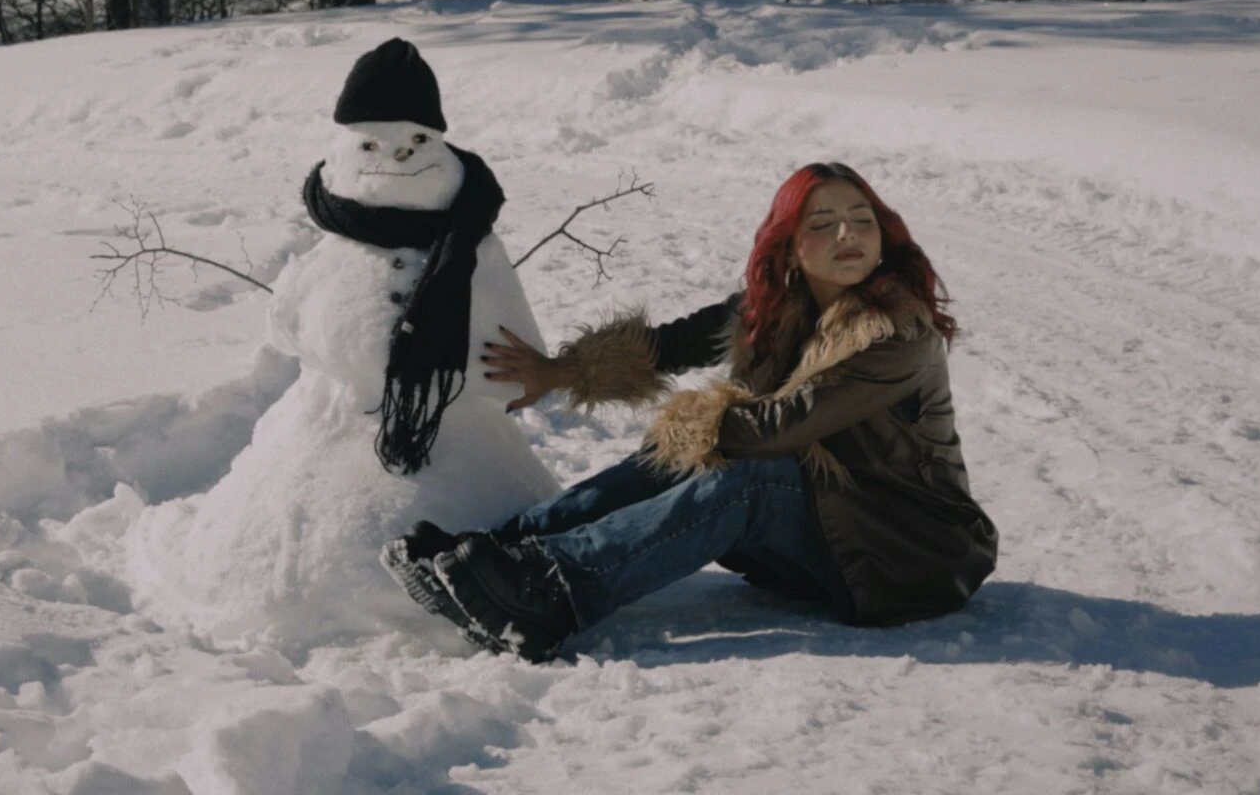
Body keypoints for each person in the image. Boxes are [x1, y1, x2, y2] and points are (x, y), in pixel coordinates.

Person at [379, 162, 999, 661]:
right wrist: (561, 371)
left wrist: (687, 430)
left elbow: (778, 432)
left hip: (908, 556)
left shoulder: (894, 332)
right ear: (788, 245)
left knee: (747, 471)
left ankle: (551, 593)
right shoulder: (772, 308)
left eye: (862, 220)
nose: (848, 236)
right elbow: (668, 346)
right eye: (825, 222)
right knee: (686, 450)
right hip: (834, 536)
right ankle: (505, 551)